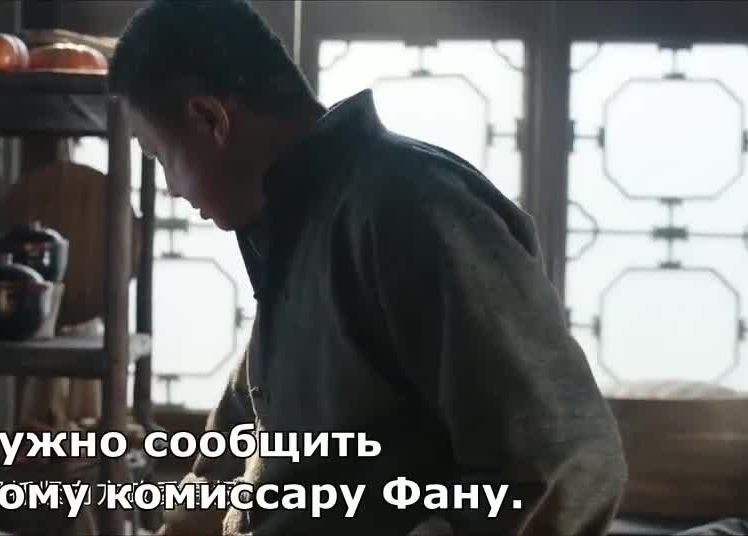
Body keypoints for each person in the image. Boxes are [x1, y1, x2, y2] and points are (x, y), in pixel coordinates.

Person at [105, 1, 629, 535]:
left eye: (159, 157)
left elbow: (563, 460)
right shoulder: (295, 236)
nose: (171, 189)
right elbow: (234, 448)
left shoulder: (407, 204)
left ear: (209, 119)